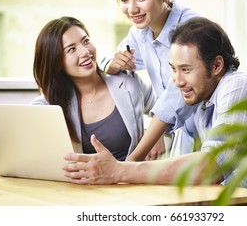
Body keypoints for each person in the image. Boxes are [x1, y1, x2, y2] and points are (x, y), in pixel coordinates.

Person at [62, 16, 247, 202]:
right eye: (173, 69)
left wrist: (119, 170)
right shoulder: (202, 103)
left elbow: (210, 167)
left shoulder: (238, 86)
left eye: (186, 69)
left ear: (217, 65)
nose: (177, 81)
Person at [100, 0, 200, 160]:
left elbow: (176, 95)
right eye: (124, 0)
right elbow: (116, 59)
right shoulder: (139, 33)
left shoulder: (191, 28)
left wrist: (132, 160)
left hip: (211, 127)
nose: (132, 9)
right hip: (184, 137)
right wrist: (111, 64)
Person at [31, 16, 157, 161]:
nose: (85, 52)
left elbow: (165, 111)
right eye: (71, 49)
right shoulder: (50, 105)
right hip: (82, 182)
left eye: (86, 41)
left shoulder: (127, 82)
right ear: (56, 61)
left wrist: (156, 137)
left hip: (129, 180)